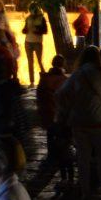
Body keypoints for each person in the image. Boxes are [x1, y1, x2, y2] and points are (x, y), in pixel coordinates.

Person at [54, 47, 101, 200]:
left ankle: (85, 192)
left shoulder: (77, 75)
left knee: (83, 159)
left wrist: (65, 112)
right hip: (99, 121)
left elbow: (60, 94)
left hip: (79, 122)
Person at [35, 57, 73, 189]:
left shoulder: (45, 78)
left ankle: (51, 154)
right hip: (60, 114)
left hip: (48, 111)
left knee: (50, 134)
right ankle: (62, 157)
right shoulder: (64, 80)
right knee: (62, 137)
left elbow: (39, 94)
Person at [21, 7, 49, 86]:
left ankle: (45, 80)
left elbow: (45, 31)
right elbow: (24, 30)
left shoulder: (42, 19)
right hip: (28, 42)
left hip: (37, 42)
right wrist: (26, 29)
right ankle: (32, 82)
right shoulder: (28, 18)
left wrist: (36, 29)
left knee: (39, 61)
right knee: (30, 62)